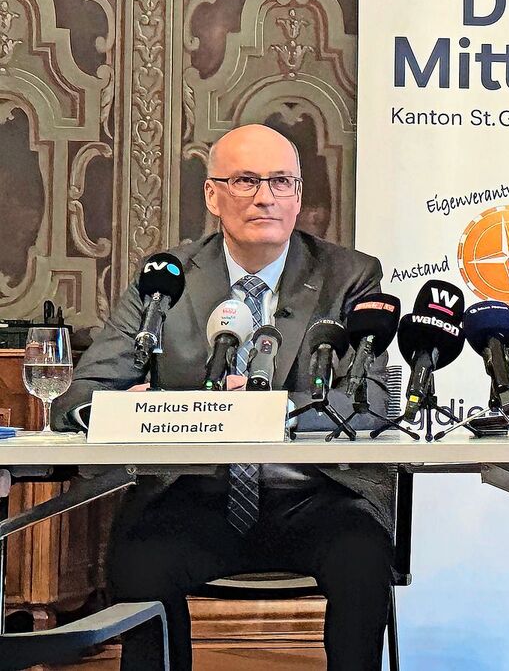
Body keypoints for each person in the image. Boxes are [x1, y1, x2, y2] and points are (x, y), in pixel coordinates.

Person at [53, 124, 395, 671]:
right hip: (194, 495)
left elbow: (370, 401)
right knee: (138, 559)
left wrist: (269, 412)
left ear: (298, 196)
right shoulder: (165, 279)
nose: (265, 197)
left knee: (364, 556)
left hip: (314, 495)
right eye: (245, 181)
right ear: (212, 195)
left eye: (281, 182)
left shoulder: (349, 275)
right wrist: (134, 410)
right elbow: (80, 396)